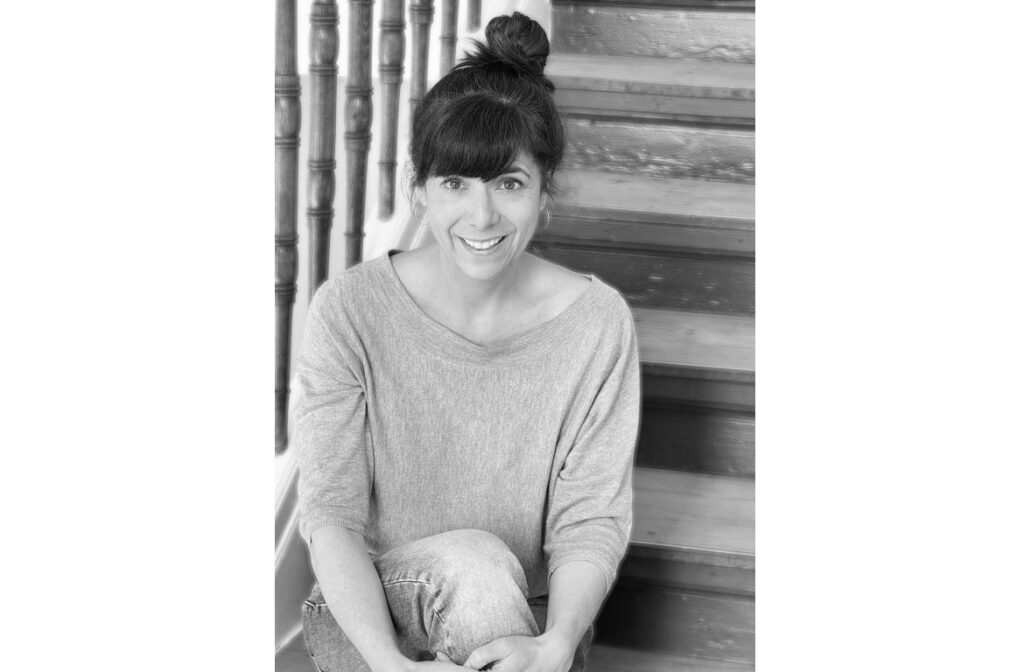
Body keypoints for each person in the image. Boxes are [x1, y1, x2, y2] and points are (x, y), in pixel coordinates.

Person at [294, 12, 641, 672]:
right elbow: (331, 515)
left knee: (487, 582)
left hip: (529, 625)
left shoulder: (597, 325)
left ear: (544, 192)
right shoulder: (350, 310)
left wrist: (557, 642)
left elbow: (590, 520)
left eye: (509, 183)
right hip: (371, 618)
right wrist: (388, 663)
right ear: (418, 189)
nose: (482, 216)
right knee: (473, 561)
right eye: (455, 183)